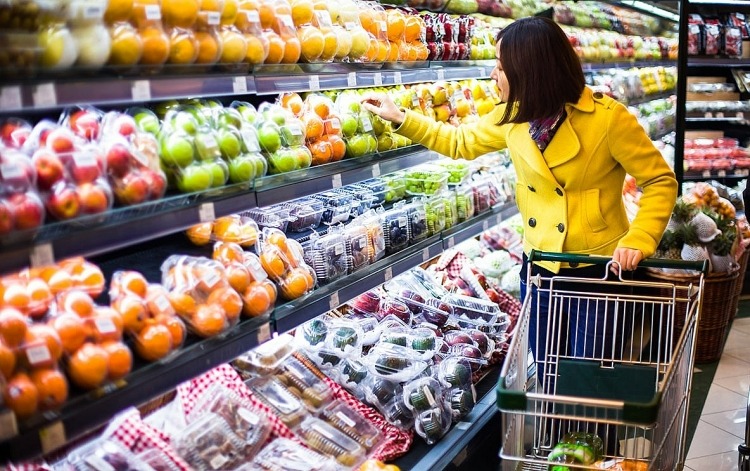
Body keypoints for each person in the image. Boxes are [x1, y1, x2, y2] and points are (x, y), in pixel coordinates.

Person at [362, 17, 677, 386]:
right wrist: (401, 117)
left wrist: (639, 238)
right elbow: (460, 142)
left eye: (500, 67)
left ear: (530, 72)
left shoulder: (608, 120)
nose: (493, 76)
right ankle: (555, 439)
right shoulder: (512, 117)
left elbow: (659, 180)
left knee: (586, 378)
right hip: (540, 268)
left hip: (597, 272)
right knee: (548, 372)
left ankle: (583, 441)